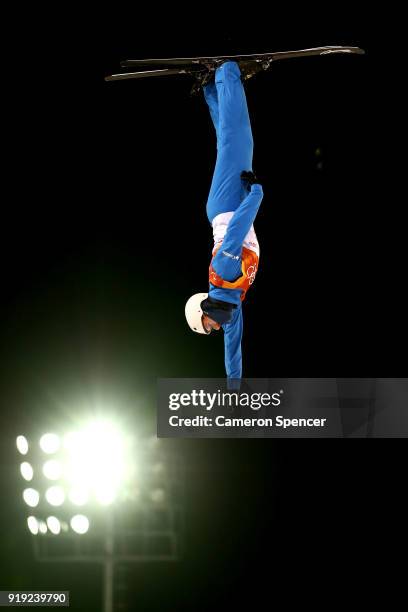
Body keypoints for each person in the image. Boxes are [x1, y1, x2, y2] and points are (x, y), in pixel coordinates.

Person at [185, 61, 264, 386]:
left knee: (239, 139)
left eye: (208, 324)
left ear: (202, 309)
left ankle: (226, 70)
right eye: (211, 329)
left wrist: (256, 193)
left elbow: (235, 233)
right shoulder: (233, 301)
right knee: (229, 142)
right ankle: (210, 86)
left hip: (229, 204)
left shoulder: (224, 274)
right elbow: (233, 348)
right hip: (232, 203)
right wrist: (234, 388)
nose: (215, 327)